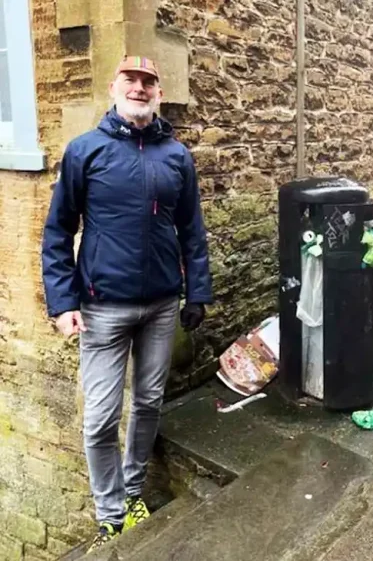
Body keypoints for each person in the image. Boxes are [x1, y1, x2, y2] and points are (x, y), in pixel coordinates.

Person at [41, 55, 213, 553]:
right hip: (102, 307)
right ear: (114, 87)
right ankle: (109, 512)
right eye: (130, 80)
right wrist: (62, 301)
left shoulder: (176, 156)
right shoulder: (84, 152)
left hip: (162, 304)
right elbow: (58, 232)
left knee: (148, 403)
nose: (139, 88)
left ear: (159, 93)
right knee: (98, 417)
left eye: (148, 82)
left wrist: (197, 291)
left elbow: (192, 232)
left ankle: (134, 491)